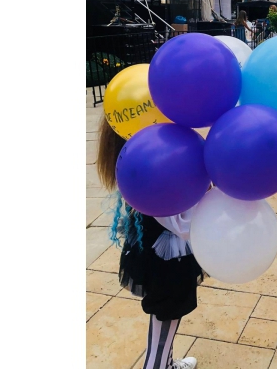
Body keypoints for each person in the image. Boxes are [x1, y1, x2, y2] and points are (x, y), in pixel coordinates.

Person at [96, 120, 202, 369]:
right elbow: (181, 224)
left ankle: (166, 362)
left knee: (166, 309)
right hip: (166, 250)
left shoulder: (139, 155)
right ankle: (157, 364)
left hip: (151, 240)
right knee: (168, 308)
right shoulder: (155, 168)